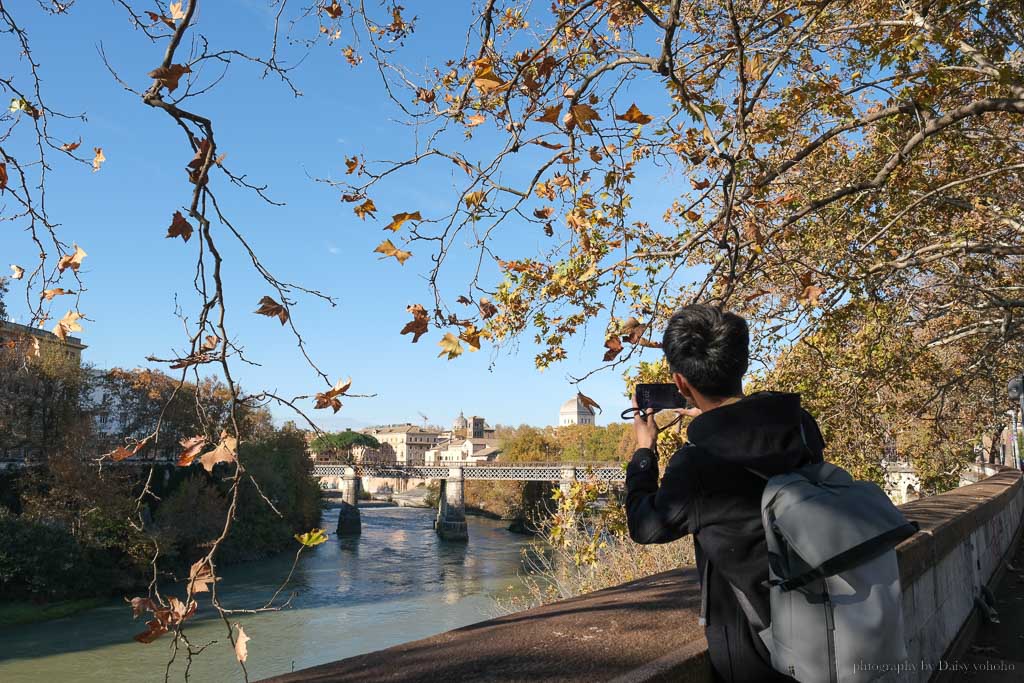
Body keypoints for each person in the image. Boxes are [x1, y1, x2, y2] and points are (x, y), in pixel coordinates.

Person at [625, 304, 825, 683]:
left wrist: (643, 451)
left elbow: (646, 526)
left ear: (681, 384)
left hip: (755, 647)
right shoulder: (800, 425)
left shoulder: (698, 464)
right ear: (743, 365)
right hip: (819, 616)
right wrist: (719, 423)